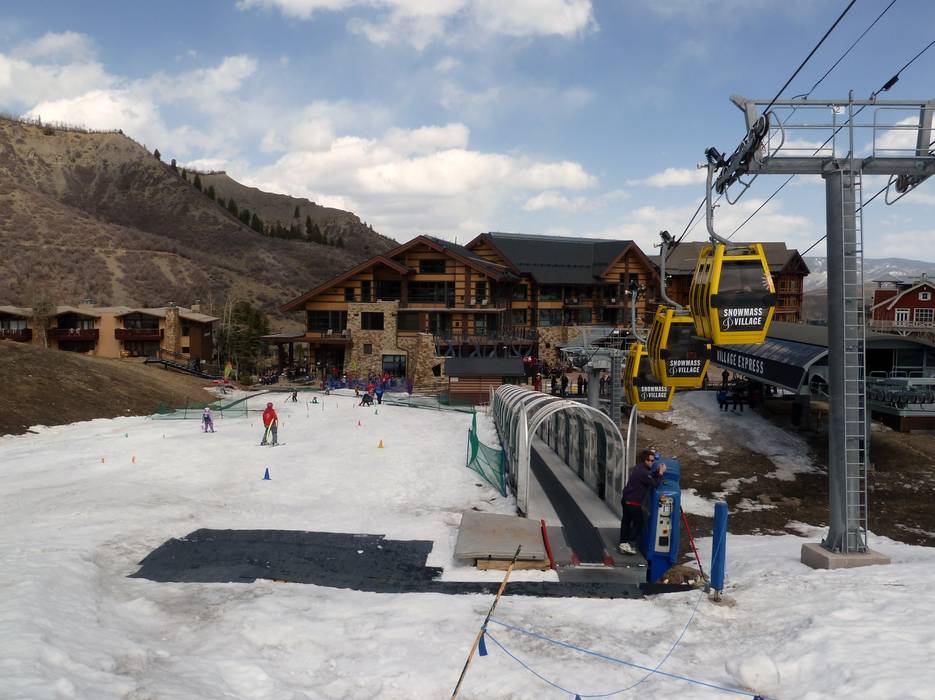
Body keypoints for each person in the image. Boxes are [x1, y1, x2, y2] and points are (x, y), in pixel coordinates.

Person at [618, 449, 666, 555]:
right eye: (651, 460)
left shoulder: (639, 467)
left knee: (626, 521)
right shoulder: (643, 472)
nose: (652, 462)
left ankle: (623, 542)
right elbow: (655, 484)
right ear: (645, 460)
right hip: (633, 502)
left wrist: (656, 472)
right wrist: (661, 473)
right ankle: (628, 542)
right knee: (639, 523)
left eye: (653, 460)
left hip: (626, 499)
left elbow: (649, 476)